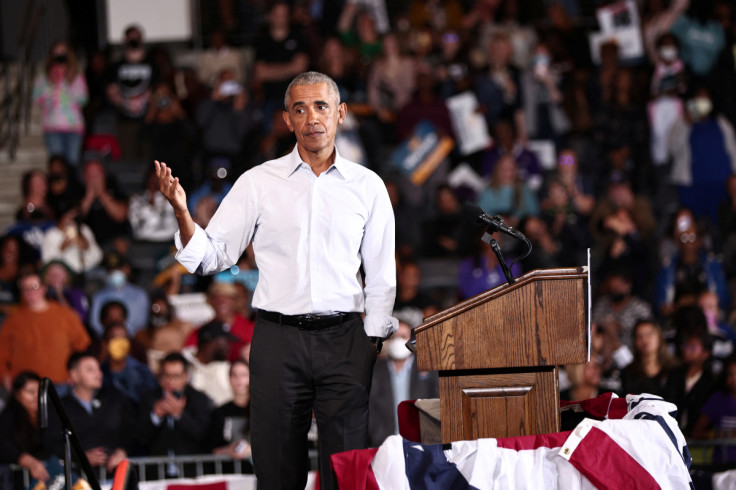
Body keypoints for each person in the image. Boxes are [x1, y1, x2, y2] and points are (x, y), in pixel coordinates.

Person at [155, 71, 397, 490]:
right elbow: (211, 257)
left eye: (321, 106)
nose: (311, 118)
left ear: (340, 114)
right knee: (276, 468)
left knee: (346, 470)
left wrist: (371, 339)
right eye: (299, 109)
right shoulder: (257, 182)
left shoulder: (368, 187)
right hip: (277, 341)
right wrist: (182, 212)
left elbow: (380, 272)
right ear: (287, 120)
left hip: (344, 341)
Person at [0, 272, 90, 389]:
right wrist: (4, 375)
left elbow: (82, 345)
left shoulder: (65, 315)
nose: (30, 291)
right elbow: (2, 352)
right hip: (26, 385)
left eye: (35, 286)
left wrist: (77, 373)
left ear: (44, 288)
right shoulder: (13, 320)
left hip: (60, 382)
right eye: (25, 288)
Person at [54, 352, 131, 475]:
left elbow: (132, 431)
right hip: (77, 480)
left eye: (98, 369)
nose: (98, 374)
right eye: (90, 370)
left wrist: (122, 451)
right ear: (74, 375)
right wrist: (80, 456)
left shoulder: (115, 398)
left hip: (115, 477)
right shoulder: (61, 407)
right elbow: (52, 443)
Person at [368, 320, 439, 447]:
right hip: (385, 444)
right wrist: (381, 441)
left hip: (423, 444)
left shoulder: (427, 368)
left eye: (403, 336)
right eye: (394, 337)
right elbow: (371, 409)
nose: (398, 341)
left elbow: (436, 403)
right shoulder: (375, 370)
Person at [138, 352, 213, 463]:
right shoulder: (150, 398)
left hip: (191, 471)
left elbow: (204, 434)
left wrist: (179, 415)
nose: (170, 381)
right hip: (158, 471)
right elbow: (140, 438)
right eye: (166, 375)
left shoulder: (199, 399)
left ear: (186, 377)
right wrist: (155, 417)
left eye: (176, 376)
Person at [32, 41, 88, 166]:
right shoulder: (45, 76)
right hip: (52, 127)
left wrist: (68, 81)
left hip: (74, 127)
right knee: (57, 164)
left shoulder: (77, 75)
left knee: (73, 163)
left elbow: (82, 99)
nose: (60, 56)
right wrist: (53, 83)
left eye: (63, 53)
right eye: (56, 53)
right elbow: (37, 98)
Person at [0, 372, 52, 485]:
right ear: (17, 395)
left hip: (49, 476)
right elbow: (3, 446)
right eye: (30, 392)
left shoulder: (50, 415)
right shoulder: (9, 417)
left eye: (39, 392)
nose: (36, 396)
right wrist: (28, 461)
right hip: (17, 481)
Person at [100, 323, 158, 407]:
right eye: (115, 338)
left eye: (124, 338)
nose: (120, 342)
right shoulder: (99, 374)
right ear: (105, 343)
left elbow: (151, 402)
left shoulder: (143, 372)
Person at [207, 359, 252, 462]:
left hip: (255, 474)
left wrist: (251, 450)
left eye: (244, 375)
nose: (239, 380)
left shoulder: (261, 411)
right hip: (229, 473)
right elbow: (211, 447)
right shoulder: (220, 412)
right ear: (229, 379)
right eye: (234, 375)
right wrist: (228, 450)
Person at [182, 320, 234, 406]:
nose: (229, 347)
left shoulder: (225, 367)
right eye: (226, 341)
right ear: (212, 342)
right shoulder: (184, 365)